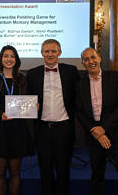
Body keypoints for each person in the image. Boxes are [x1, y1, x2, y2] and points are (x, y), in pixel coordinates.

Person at [76, 47, 118, 195]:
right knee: (97, 174)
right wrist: (97, 132)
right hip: (94, 135)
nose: (91, 61)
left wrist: (104, 129)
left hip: (117, 133)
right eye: (86, 59)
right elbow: (80, 112)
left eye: (93, 57)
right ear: (83, 63)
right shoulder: (80, 84)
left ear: (99, 58)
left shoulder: (115, 77)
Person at [26, 39, 79, 195]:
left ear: (60, 53)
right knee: (45, 169)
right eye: (46, 51)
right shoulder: (32, 73)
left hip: (64, 128)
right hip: (42, 129)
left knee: (63, 169)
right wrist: (31, 106)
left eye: (53, 51)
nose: (50, 54)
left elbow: (78, 97)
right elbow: (29, 98)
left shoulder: (71, 71)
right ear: (42, 53)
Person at [0, 45, 33, 195]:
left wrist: (33, 105)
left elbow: (28, 100)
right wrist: (0, 114)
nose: (9, 59)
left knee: (15, 172)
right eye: (5, 56)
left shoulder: (23, 79)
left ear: (16, 60)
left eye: (12, 56)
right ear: (1, 59)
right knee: (0, 172)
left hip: (18, 130)